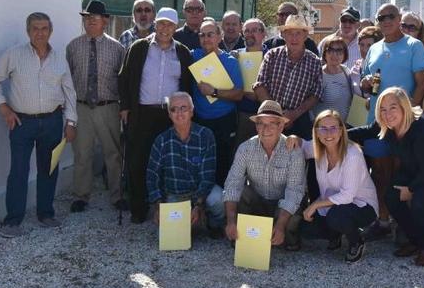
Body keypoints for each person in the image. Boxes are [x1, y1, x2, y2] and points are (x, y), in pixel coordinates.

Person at [0, 12, 77, 237]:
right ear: (28, 31)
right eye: (35, 28)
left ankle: (46, 213)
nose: (40, 33)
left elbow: (69, 92)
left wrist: (71, 121)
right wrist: (3, 107)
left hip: (53, 121)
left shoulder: (58, 59)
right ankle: (13, 220)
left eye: (44, 28)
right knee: (18, 171)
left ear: (50, 31)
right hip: (22, 123)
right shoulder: (14, 55)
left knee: (48, 169)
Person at [347, 87, 424, 266]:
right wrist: (339, 135)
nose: (387, 113)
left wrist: (411, 189)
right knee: (391, 197)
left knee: (420, 201)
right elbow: (366, 131)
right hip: (415, 167)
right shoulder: (388, 124)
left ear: (404, 107)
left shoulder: (423, 128)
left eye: (393, 107)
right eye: (382, 109)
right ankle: (415, 241)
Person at [358, 3, 424, 241]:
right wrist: (366, 86)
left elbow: (422, 84)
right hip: (377, 124)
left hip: (404, 126)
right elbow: (365, 86)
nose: (386, 20)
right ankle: (383, 221)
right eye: (381, 17)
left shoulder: (414, 45)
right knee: (380, 172)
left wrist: (410, 115)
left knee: (403, 173)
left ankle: (404, 226)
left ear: (399, 18)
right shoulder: (374, 48)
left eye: (390, 16)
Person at [119, 7, 194, 223]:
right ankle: (139, 209)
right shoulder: (138, 48)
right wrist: (125, 107)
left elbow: (187, 85)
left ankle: (166, 210)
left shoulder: (182, 52)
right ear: (155, 24)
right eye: (161, 23)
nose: (164, 28)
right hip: (141, 113)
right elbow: (124, 79)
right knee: (137, 161)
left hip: (171, 115)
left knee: (168, 161)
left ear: (175, 27)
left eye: (170, 25)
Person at [291, 111, 378, 263]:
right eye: (323, 128)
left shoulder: (352, 154)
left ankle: (356, 241)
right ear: (316, 132)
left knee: (336, 217)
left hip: (362, 206)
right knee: (306, 229)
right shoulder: (319, 147)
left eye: (333, 128)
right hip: (332, 205)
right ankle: (335, 234)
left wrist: (315, 205)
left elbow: (347, 196)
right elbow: (302, 146)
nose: (328, 133)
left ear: (341, 130)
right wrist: (293, 138)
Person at [65, 0, 126, 213]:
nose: (90, 21)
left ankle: (117, 195)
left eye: (95, 18)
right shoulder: (73, 47)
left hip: (108, 107)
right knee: (82, 153)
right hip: (81, 106)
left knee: (113, 153)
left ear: (105, 21)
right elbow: (68, 79)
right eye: (86, 17)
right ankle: (81, 195)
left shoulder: (117, 48)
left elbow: (123, 79)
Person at [223, 100, 306, 249]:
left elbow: (294, 191)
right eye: (261, 123)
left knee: (292, 219)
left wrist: (280, 226)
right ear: (256, 126)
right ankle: (243, 234)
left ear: (281, 126)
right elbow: (232, 184)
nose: (265, 129)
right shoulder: (245, 148)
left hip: (281, 204)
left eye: (272, 123)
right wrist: (230, 221)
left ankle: (284, 236)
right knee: (242, 192)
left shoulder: (294, 152)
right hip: (258, 201)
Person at [146, 92, 225, 239]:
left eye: (184, 108)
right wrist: (157, 205)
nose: (179, 113)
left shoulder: (205, 135)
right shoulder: (161, 140)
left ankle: (214, 225)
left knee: (220, 200)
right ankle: (191, 222)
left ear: (192, 111)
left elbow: (208, 175)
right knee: (176, 237)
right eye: (174, 109)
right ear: (169, 114)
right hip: (174, 195)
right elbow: (152, 175)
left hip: (201, 193)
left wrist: (198, 205)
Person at [191, 20, 244, 186]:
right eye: (202, 35)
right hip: (199, 120)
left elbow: (238, 94)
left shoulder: (231, 61)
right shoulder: (193, 56)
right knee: (198, 162)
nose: (206, 39)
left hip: (224, 121)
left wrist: (214, 92)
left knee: (222, 163)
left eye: (210, 34)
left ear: (220, 37)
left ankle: (220, 207)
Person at [253, 14, 323, 139]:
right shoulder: (272, 55)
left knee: (298, 156)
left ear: (305, 35)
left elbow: (315, 95)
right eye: (290, 33)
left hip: (299, 121)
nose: (294, 38)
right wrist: (275, 113)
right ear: (283, 35)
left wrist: (293, 115)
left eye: (298, 33)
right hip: (269, 117)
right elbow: (260, 85)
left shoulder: (315, 61)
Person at [231, 18, 268, 151]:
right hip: (241, 115)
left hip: (265, 116)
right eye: (246, 31)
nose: (250, 34)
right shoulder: (235, 56)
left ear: (264, 33)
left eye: (254, 30)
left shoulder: (273, 55)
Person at [311, 35, 354, 122]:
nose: (334, 54)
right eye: (330, 50)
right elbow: (310, 107)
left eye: (339, 51)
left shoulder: (346, 71)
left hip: (344, 128)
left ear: (344, 54)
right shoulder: (318, 75)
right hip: (325, 129)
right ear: (324, 53)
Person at [349, 26, 383, 97]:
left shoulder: (384, 66)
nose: (364, 49)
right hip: (358, 107)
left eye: (369, 45)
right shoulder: (355, 68)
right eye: (361, 45)